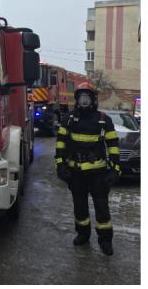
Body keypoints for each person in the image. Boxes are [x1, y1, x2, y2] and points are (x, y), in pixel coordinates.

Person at [55, 82, 121, 256]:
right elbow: (60, 145)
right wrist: (60, 165)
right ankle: (83, 234)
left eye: (87, 97)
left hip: (98, 174)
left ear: (93, 100)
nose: (84, 101)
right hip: (75, 174)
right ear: (76, 99)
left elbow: (113, 146)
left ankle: (105, 240)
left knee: (101, 207)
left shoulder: (103, 120)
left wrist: (115, 169)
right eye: (81, 97)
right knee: (80, 207)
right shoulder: (67, 120)